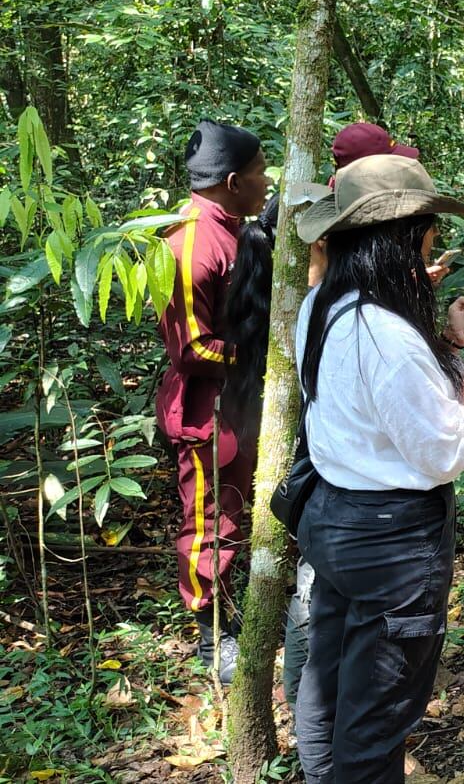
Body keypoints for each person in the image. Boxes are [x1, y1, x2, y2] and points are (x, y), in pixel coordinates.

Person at [291, 154, 464, 784]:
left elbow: (384, 408)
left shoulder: (322, 305)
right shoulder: (384, 335)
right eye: (429, 234)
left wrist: (450, 339)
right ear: (401, 240)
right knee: (376, 720)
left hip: (331, 518)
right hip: (390, 542)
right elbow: (443, 453)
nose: (432, 246)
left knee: (328, 685)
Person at [281, 123, 428, 715]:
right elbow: (439, 449)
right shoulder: (372, 327)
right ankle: (307, 708)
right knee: (357, 690)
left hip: (335, 495)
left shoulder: (330, 305)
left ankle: (312, 723)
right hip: (369, 514)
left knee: (329, 642)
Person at [156, 119, 270, 684]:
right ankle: (212, 632)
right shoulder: (192, 243)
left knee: (241, 509)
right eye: (260, 173)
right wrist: (263, 354)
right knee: (210, 521)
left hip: (243, 402)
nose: (266, 181)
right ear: (232, 182)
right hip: (209, 410)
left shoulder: (234, 227)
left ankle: (237, 606)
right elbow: (191, 347)